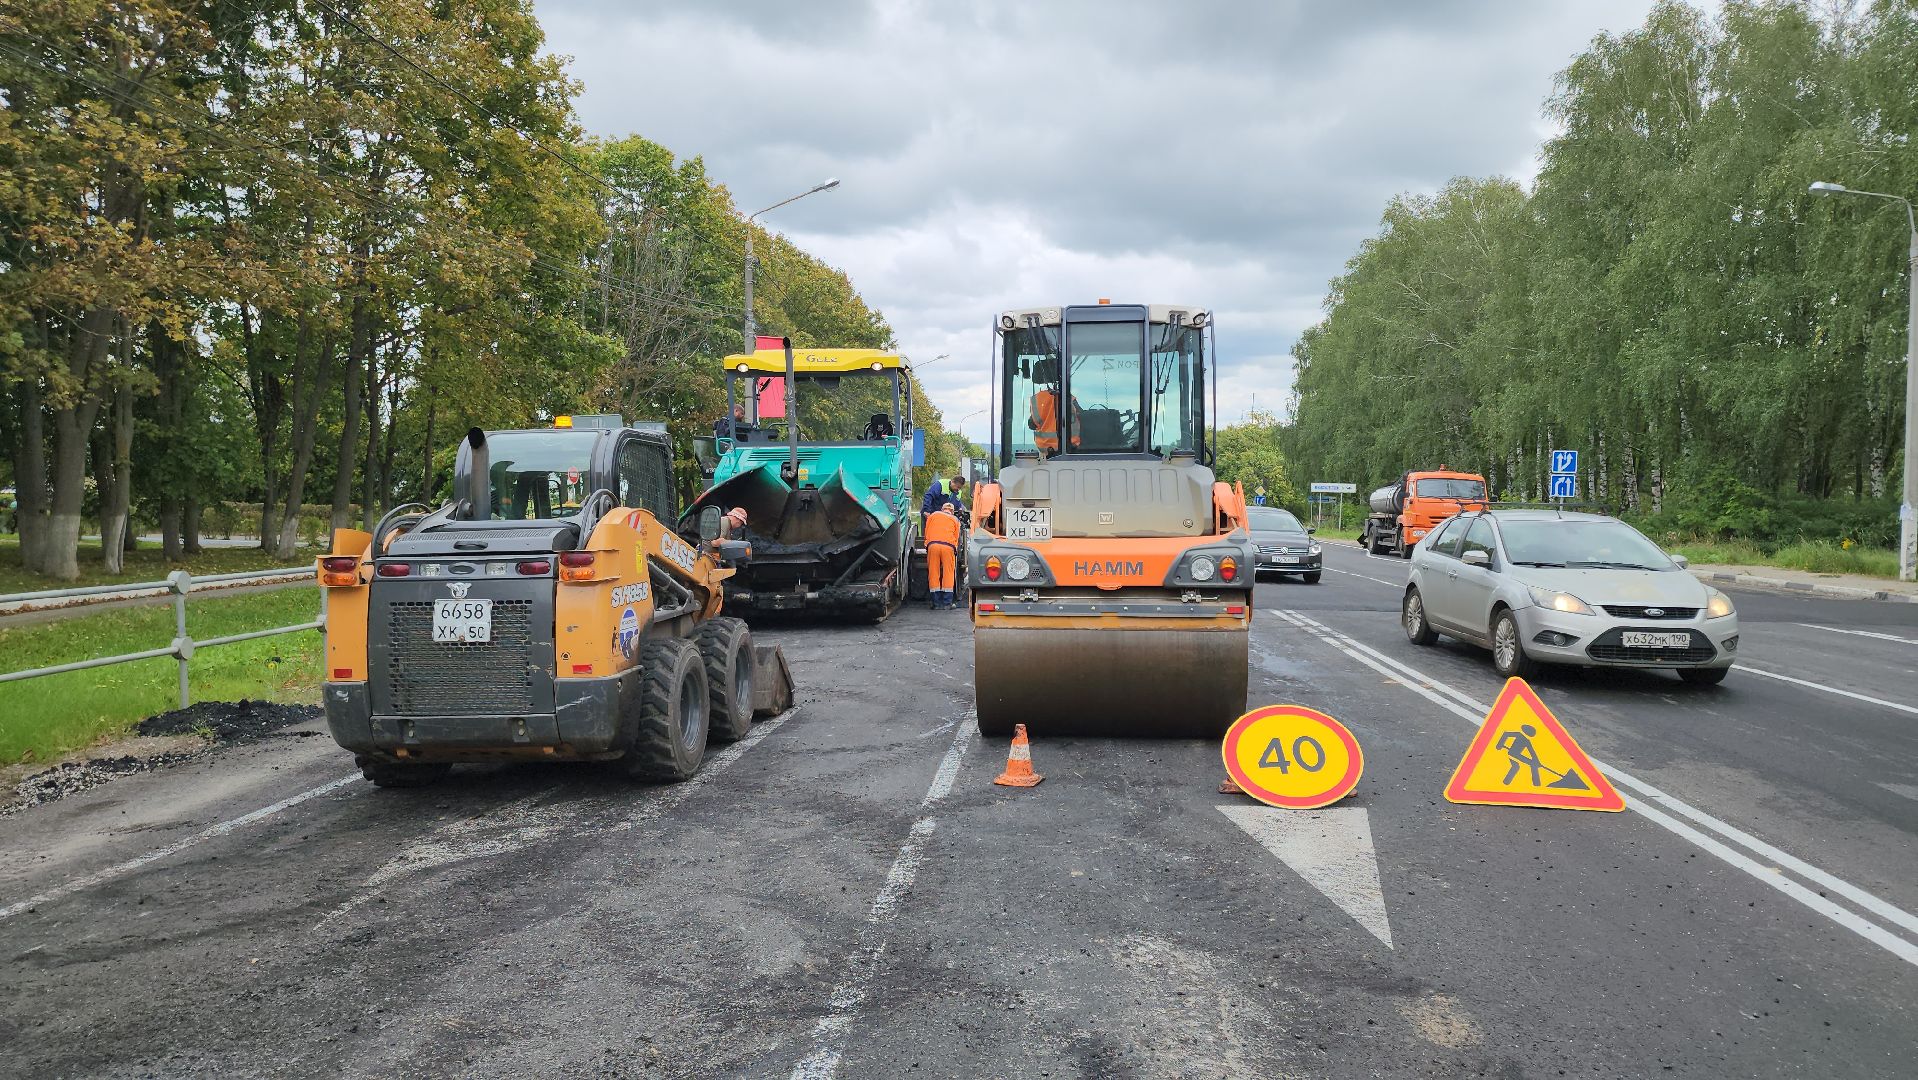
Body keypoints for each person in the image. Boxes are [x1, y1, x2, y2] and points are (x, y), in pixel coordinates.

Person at [924, 501, 962, 610]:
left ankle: (935, 603)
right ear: (952, 511)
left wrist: (927, 544)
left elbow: (926, 531)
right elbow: (956, 536)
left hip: (933, 545)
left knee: (933, 573)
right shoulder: (955, 520)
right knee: (948, 573)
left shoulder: (933, 515)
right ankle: (947, 603)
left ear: (942, 509)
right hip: (948, 547)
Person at [1030, 387, 1082, 453]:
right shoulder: (1070, 398)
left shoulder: (1036, 399)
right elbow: (1081, 416)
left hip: (1046, 450)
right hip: (1070, 448)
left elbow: (1032, 425)